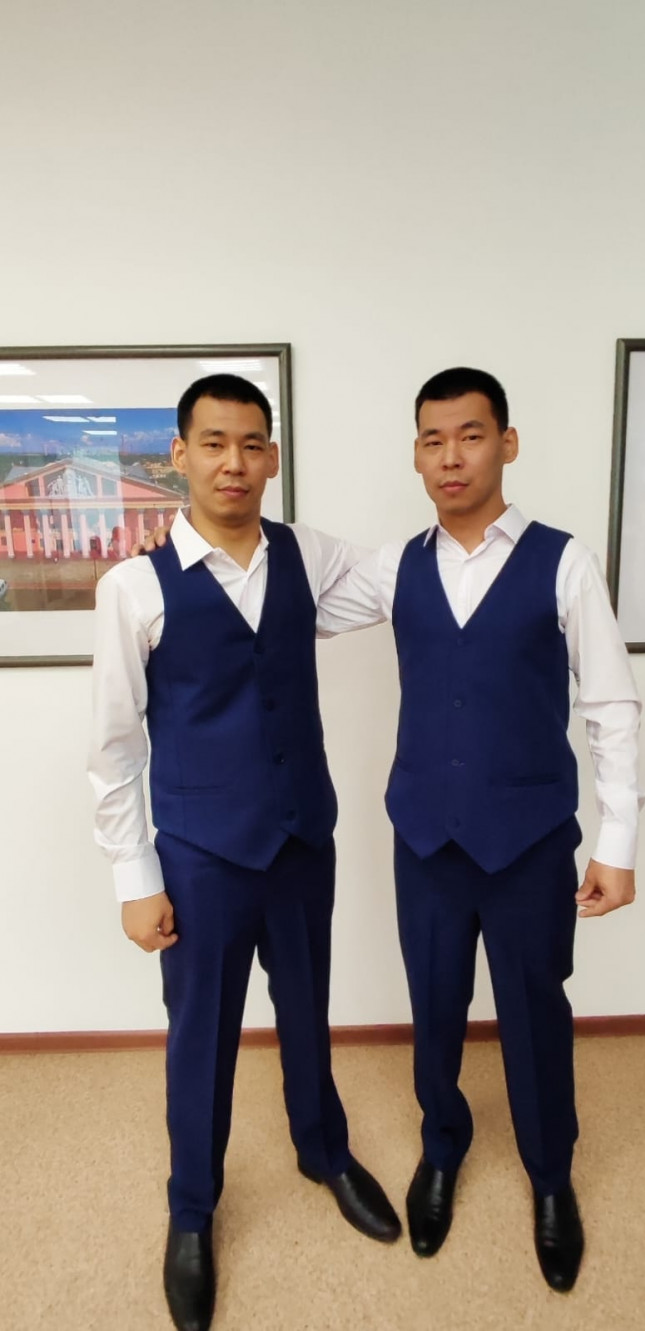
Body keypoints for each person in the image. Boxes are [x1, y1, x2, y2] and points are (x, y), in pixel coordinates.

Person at [316, 366, 643, 1292]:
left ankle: (551, 1175)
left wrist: (616, 842)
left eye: (469, 434)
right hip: (424, 835)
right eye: (433, 439)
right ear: (416, 455)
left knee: (536, 1010)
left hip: (529, 837)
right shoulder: (395, 566)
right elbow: (289, 599)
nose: (451, 455)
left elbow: (611, 704)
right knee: (434, 1007)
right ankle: (442, 1147)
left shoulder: (564, 562)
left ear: (507, 442)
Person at [88, 374, 400, 1331]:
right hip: (202, 856)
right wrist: (135, 878)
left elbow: (408, 578)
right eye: (215, 443)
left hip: (303, 839)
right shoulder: (133, 586)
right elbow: (114, 748)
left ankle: (323, 1149)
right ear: (178, 455)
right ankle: (192, 1208)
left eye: (252, 444)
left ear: (272, 456)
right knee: (201, 1038)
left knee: (308, 1012)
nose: (235, 462)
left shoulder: (309, 555)